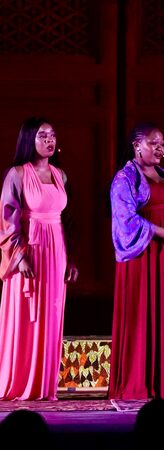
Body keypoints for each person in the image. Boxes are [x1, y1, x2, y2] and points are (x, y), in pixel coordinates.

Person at [0, 117, 78, 400]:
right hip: (30, 249)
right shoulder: (18, 174)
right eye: (42, 135)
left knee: (51, 315)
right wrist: (19, 256)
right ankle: (18, 381)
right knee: (26, 317)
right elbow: (7, 219)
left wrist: (70, 259)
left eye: (52, 135)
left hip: (56, 249)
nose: (49, 140)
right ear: (29, 140)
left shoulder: (61, 175)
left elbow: (68, 222)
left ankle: (44, 386)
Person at [109, 122, 164, 399]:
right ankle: (135, 383)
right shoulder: (125, 178)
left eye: (162, 143)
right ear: (136, 145)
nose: (160, 148)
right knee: (140, 314)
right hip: (142, 256)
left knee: (163, 312)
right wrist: (163, 232)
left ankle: (161, 383)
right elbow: (125, 219)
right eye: (153, 143)